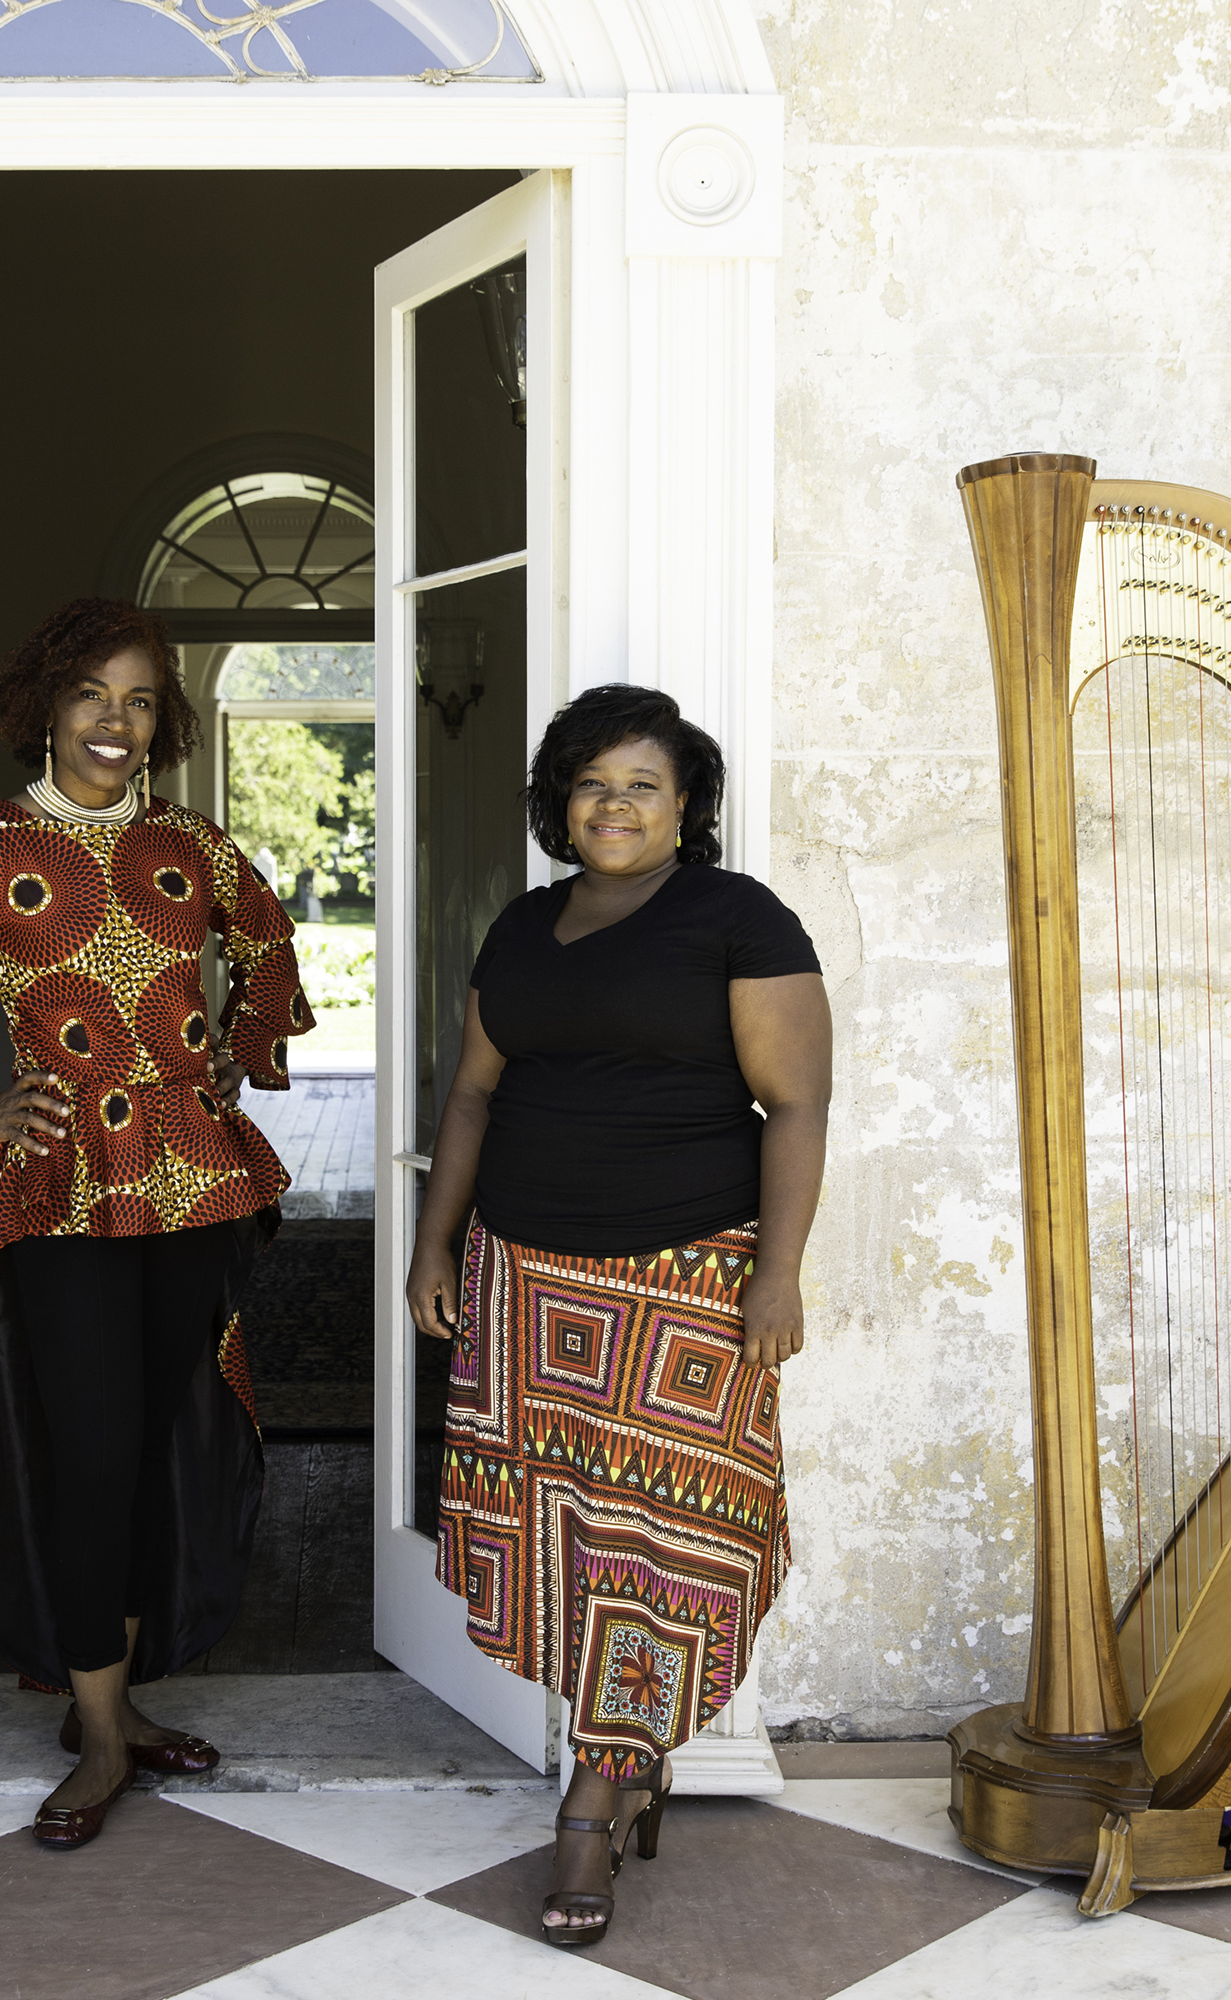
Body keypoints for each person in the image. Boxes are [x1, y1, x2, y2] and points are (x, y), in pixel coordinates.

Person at [0, 597, 307, 1849]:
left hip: (189, 1184)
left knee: (161, 1447)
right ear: (44, 705)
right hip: (61, 1188)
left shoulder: (196, 844)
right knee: (85, 1459)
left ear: (165, 720)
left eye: (140, 700)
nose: (115, 721)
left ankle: (121, 1703)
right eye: (91, 694)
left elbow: (267, 943)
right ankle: (95, 1733)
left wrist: (234, 1056)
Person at [409, 683, 832, 1948]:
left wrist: (778, 1270)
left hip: (685, 1279)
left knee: (667, 1541)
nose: (616, 804)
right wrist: (437, 1241)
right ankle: (618, 1759)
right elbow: (475, 1094)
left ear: (686, 802)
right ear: (561, 799)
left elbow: (796, 1105)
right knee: (566, 1538)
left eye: (643, 784)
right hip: (528, 1280)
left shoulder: (737, 917)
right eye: (594, 783)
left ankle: (596, 1798)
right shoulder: (524, 927)